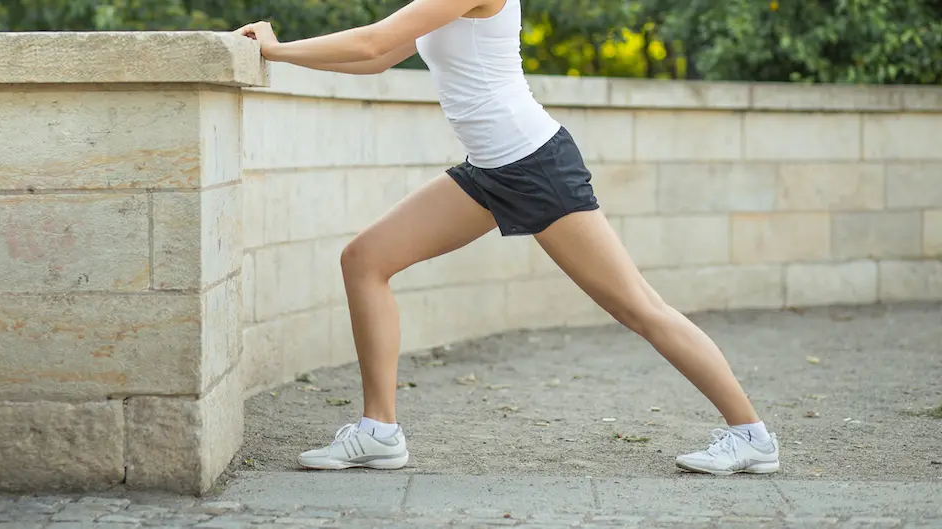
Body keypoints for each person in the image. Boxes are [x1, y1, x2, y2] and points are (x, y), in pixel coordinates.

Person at [235, 0, 779, 476]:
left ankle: (751, 435)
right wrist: (279, 54)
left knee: (640, 308)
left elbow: (372, 40)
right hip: (489, 171)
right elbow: (379, 58)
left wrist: (277, 50)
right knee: (364, 260)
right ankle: (379, 432)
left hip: (534, 165)